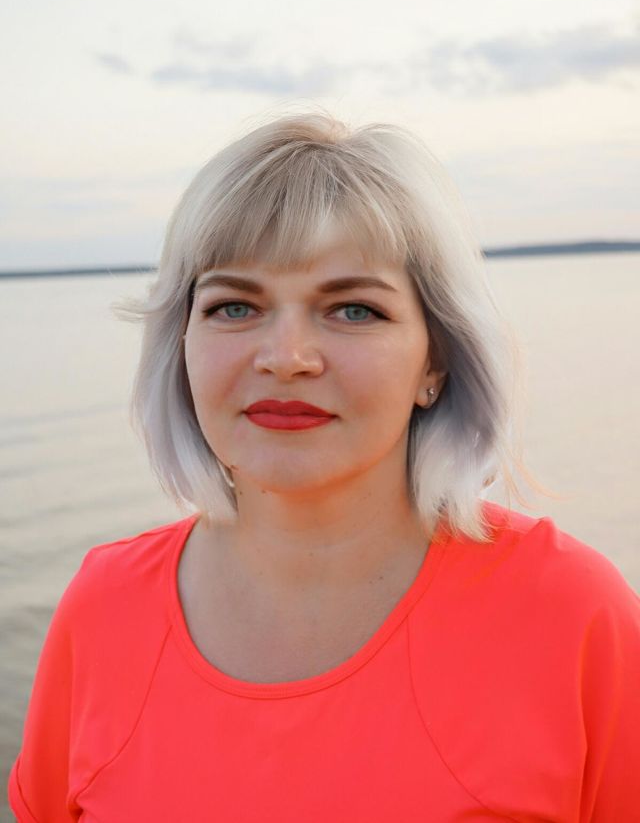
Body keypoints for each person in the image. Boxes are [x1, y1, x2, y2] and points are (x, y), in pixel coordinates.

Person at [8, 111, 640, 822]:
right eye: (234, 306)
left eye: (353, 310)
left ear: (434, 360)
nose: (286, 358)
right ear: (180, 343)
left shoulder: (573, 617)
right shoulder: (103, 609)